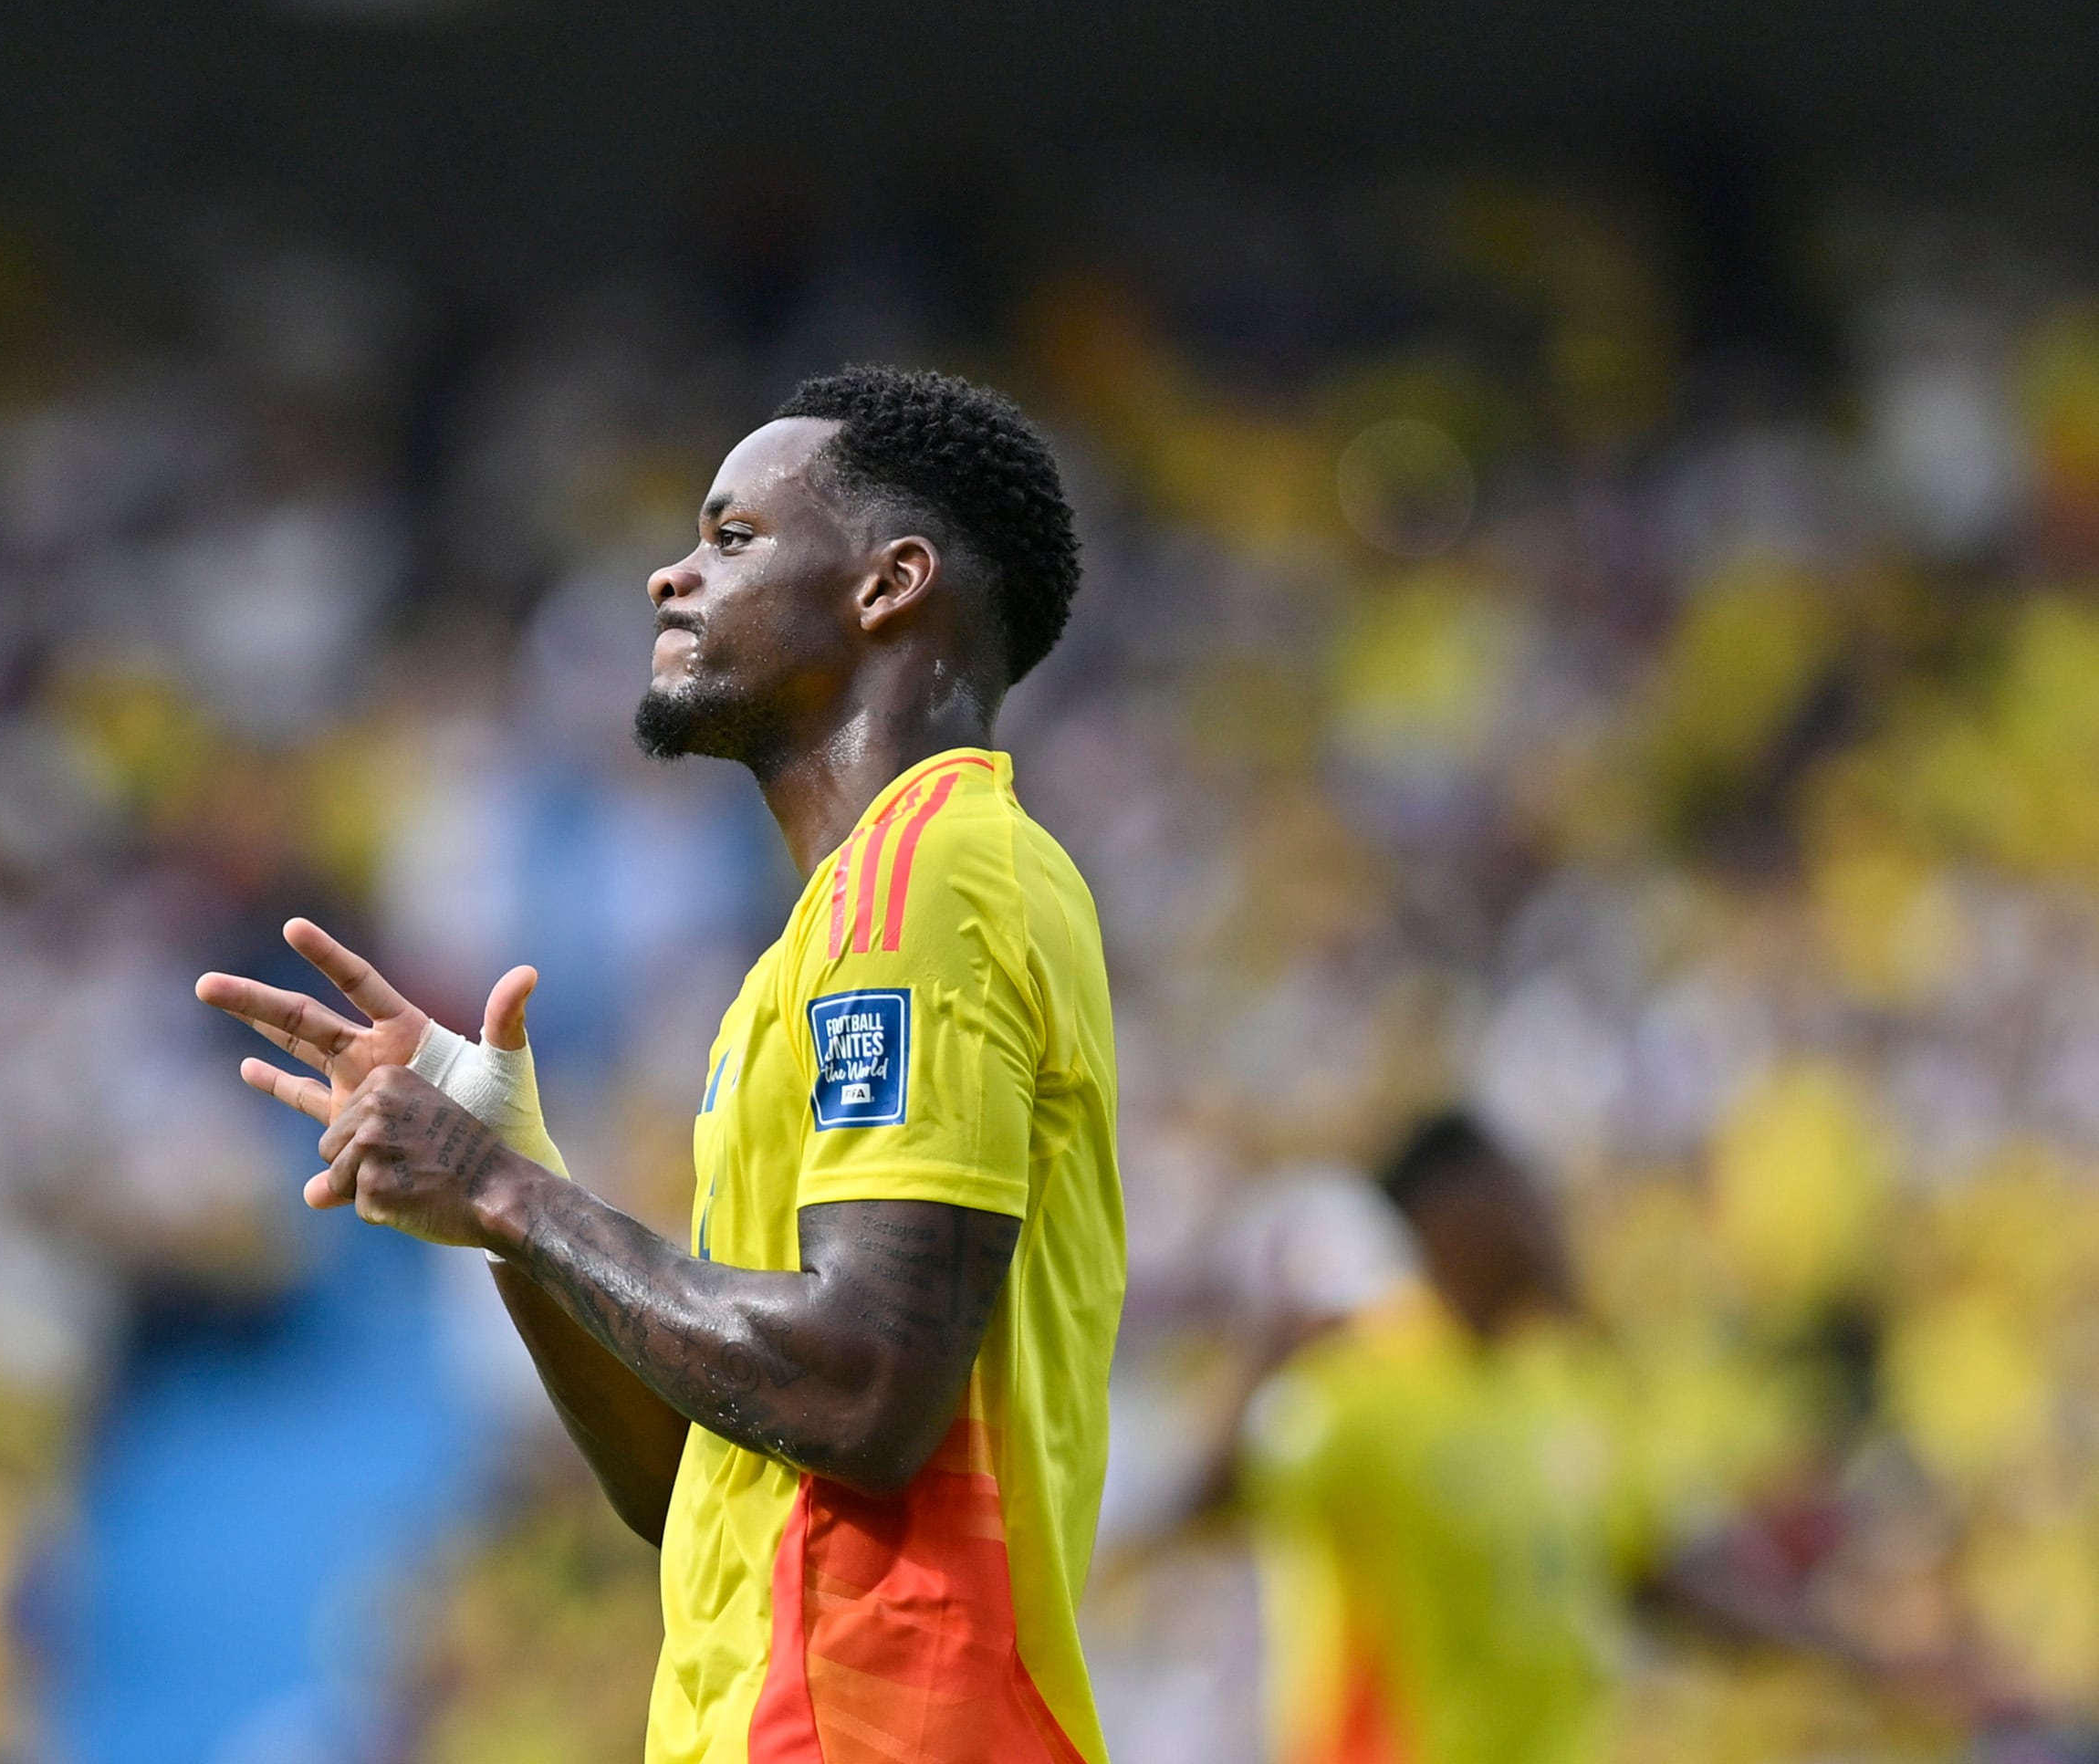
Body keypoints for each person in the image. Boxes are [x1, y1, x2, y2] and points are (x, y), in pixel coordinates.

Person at [197, 366, 1125, 1762]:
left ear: (890, 585)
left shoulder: (933, 871)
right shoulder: (816, 946)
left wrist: (509, 1194)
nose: (669, 577)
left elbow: (865, 1390)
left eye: (732, 538)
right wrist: (509, 1210)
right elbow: (694, 1467)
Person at [1192, 1111, 2010, 1764]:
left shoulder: (1565, 1387)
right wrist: (1264, 1358)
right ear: (1449, 1220)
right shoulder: (1361, 1393)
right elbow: (1209, 1508)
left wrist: (1862, 1661)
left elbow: (1659, 1578)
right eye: (1521, 1196)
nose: (1547, 1221)